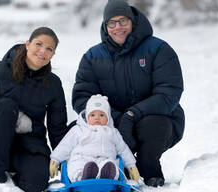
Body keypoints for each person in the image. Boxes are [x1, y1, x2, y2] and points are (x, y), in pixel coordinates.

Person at [72, 0, 185, 187]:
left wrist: (132, 115)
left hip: (151, 119)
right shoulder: (92, 57)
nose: (118, 27)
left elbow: (168, 93)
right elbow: (82, 97)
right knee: (79, 131)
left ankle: (148, 169)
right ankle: (100, 171)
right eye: (112, 23)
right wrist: (112, 117)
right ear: (105, 25)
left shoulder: (158, 49)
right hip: (111, 121)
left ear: (132, 21)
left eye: (123, 21)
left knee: (154, 125)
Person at [0, 27, 68, 192]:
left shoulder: (53, 84)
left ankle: (18, 170)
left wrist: (68, 160)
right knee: (6, 105)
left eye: (49, 49)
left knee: (38, 181)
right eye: (38, 44)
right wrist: (15, 117)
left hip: (28, 144)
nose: (42, 51)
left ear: (52, 55)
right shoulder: (1, 71)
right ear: (28, 44)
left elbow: (56, 130)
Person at [49, 94, 140, 183]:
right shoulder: (78, 130)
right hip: (81, 158)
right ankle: (83, 176)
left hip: (105, 159)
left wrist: (131, 165)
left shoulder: (113, 132)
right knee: (76, 165)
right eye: (93, 115)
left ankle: (107, 176)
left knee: (111, 165)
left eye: (101, 115)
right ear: (87, 116)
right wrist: (55, 159)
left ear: (108, 117)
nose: (97, 118)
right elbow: (65, 145)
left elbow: (123, 149)